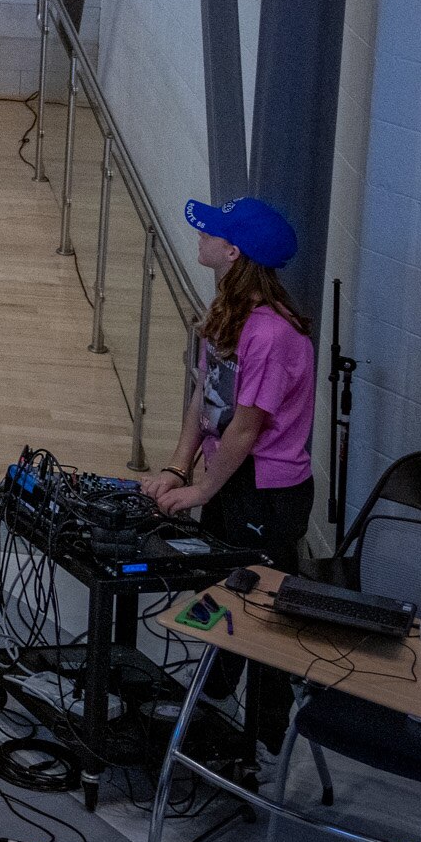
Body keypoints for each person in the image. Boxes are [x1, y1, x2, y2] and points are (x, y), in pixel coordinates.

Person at [143, 196, 318, 756]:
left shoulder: (270, 335)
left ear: (232, 251)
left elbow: (246, 428)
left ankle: (266, 738)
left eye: (212, 234)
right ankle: (215, 696)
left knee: (262, 611)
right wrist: (178, 467)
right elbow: (205, 398)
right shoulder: (222, 316)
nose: (201, 237)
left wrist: (203, 488)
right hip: (227, 477)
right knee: (219, 592)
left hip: (265, 492)